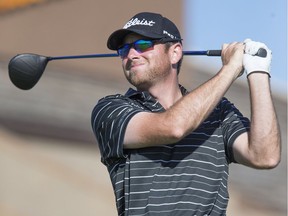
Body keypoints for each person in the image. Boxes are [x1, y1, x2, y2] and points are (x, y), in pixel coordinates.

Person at [91, 12, 281, 216]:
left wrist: (258, 71)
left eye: (143, 45)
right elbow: (173, 127)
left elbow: (265, 156)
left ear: (175, 52)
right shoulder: (111, 109)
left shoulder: (219, 111)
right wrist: (230, 68)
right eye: (124, 49)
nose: (131, 55)